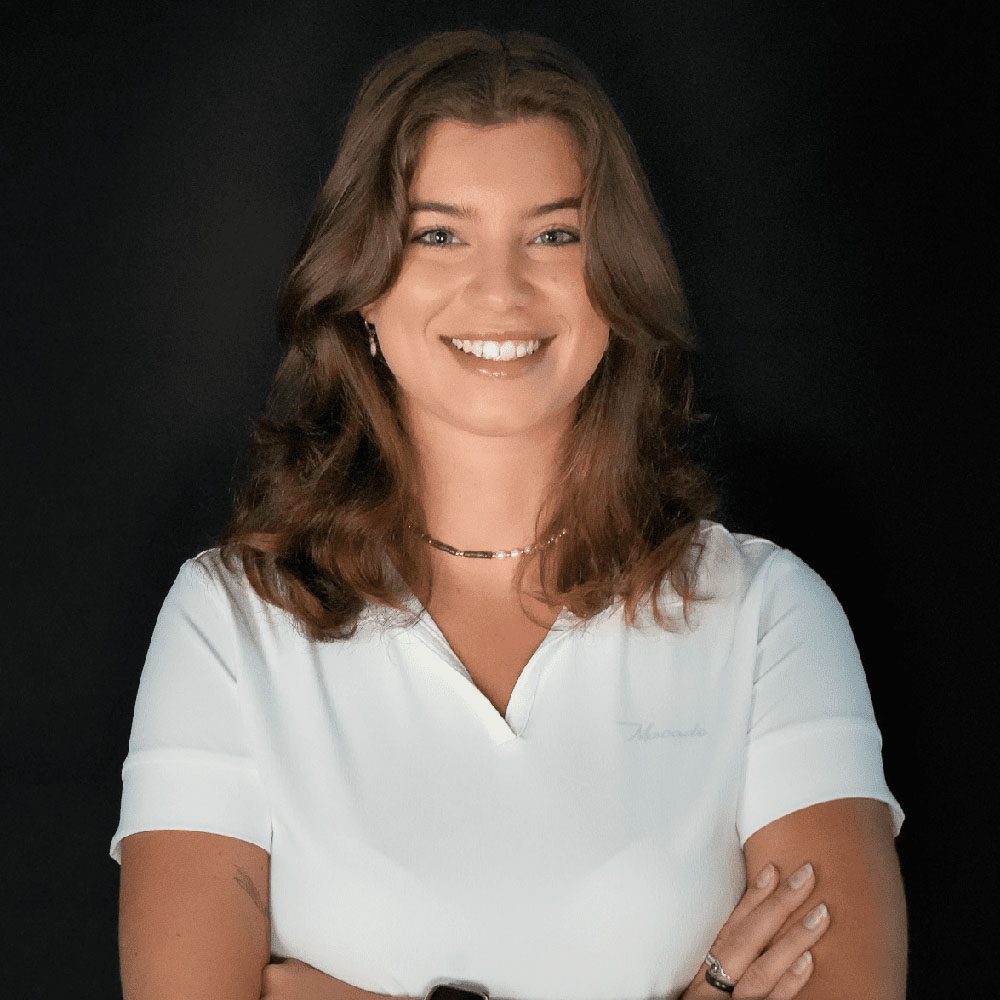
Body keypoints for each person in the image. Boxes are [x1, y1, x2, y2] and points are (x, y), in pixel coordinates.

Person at [110, 28, 907, 1000]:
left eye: (555, 233)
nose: (500, 287)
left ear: (614, 280)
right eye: (439, 232)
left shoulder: (767, 614)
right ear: (363, 283)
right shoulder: (228, 621)